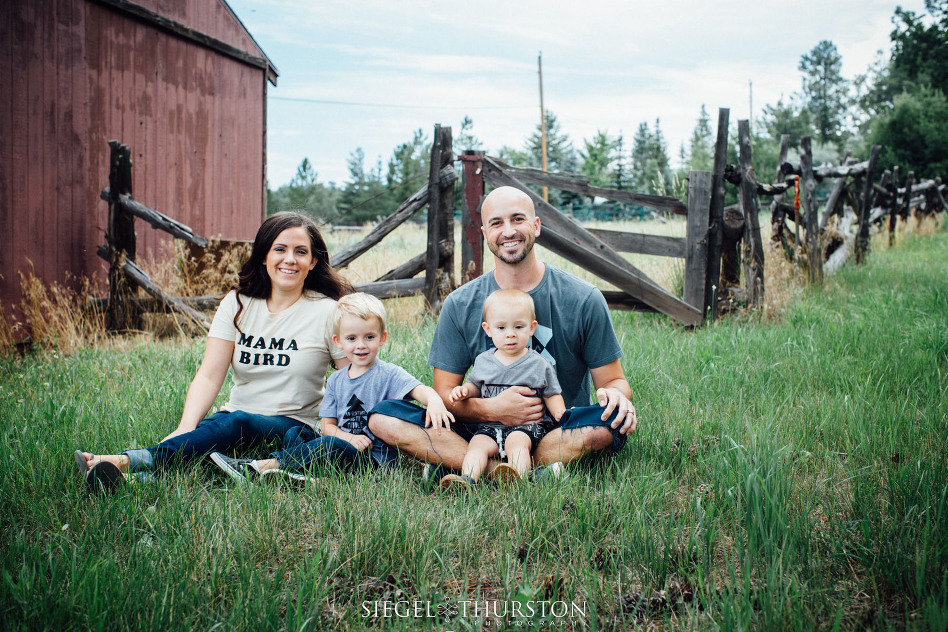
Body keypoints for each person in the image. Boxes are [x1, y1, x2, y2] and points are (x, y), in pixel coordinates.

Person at [369, 186, 638, 482]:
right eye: (497, 223)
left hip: (557, 428)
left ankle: (465, 465)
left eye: (518, 219)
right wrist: (492, 409)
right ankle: (520, 471)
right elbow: (445, 394)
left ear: (536, 226)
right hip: (480, 429)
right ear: (485, 234)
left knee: (612, 421)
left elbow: (614, 381)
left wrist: (616, 396)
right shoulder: (460, 304)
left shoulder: (583, 298)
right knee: (383, 416)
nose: (508, 231)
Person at [74, 212, 352, 491]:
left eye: (300, 252)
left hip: (290, 427)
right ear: (264, 256)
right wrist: (186, 426)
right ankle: (128, 481)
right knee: (203, 444)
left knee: (232, 425)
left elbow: (352, 378)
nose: (290, 259)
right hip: (232, 419)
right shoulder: (237, 303)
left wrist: (346, 434)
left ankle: (126, 460)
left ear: (313, 261)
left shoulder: (328, 312)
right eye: (280, 249)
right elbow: (209, 375)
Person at [209, 292, 454, 479]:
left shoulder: (388, 373)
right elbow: (327, 425)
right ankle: (300, 471)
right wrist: (347, 437)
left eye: (369, 337)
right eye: (351, 338)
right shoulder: (337, 380)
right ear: (338, 341)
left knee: (329, 445)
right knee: (296, 434)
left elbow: (420, 390)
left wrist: (434, 401)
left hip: (371, 459)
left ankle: (261, 467)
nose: (360, 345)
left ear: (382, 338)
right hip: (343, 443)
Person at [440, 288, 566, 490]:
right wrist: (464, 391)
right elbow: (475, 385)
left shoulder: (539, 364)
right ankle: (468, 479)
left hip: (527, 427)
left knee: (516, 442)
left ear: (532, 327)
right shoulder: (484, 361)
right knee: (477, 445)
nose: (510, 335)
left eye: (518, 327)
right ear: (487, 329)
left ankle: (519, 478)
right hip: (490, 426)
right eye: (501, 328)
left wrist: (561, 414)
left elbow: (552, 393)